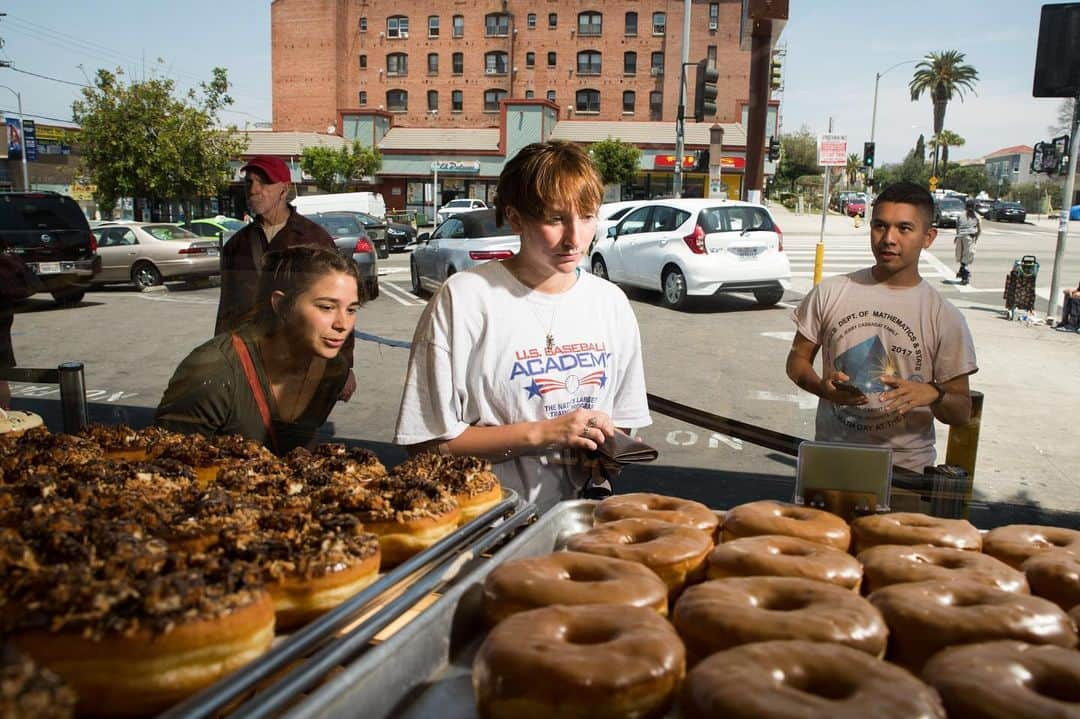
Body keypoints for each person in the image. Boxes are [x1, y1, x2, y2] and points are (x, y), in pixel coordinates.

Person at [394, 141, 652, 511]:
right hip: (488, 527)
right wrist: (545, 434)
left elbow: (623, 421)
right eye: (555, 219)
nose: (575, 238)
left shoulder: (610, 303)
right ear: (515, 218)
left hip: (583, 523)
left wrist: (606, 446)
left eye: (587, 216)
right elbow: (425, 441)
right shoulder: (466, 299)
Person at [785, 181, 978, 473]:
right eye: (880, 226)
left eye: (904, 228)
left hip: (904, 473)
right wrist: (822, 388)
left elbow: (961, 409)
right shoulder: (831, 292)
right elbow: (797, 360)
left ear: (928, 237)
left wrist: (933, 394)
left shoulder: (945, 317)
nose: (889, 238)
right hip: (830, 461)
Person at [156, 246, 360, 454]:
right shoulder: (213, 371)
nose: (343, 324)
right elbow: (164, 464)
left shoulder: (333, 371)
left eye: (351, 309)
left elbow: (304, 443)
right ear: (281, 305)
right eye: (326, 307)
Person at [215, 155, 356, 401]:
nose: (254, 190)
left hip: (301, 364)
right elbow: (227, 310)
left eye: (264, 183)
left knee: (297, 437)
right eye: (250, 182)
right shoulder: (237, 246)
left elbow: (339, 304)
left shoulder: (314, 239)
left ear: (284, 189)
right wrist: (217, 361)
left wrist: (344, 367)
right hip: (250, 363)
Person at [954, 198, 980, 285]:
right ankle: (965, 274)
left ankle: (962, 272)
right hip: (969, 237)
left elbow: (957, 227)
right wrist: (976, 237)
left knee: (961, 256)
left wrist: (956, 236)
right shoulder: (976, 215)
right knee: (967, 257)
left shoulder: (960, 215)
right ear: (974, 206)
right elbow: (980, 229)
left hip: (960, 237)